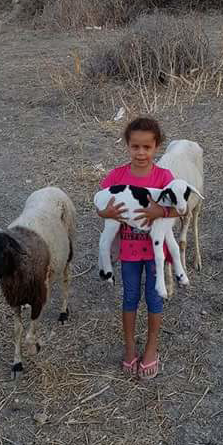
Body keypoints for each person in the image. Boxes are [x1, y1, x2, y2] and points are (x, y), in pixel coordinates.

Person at [96, 117, 179, 380]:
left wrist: (160, 209)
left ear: (157, 147)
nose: (141, 153)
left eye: (147, 147)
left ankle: (152, 347)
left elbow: (180, 208)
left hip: (156, 252)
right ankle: (130, 346)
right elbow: (102, 204)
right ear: (127, 146)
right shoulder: (117, 176)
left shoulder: (165, 177)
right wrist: (104, 212)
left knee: (154, 298)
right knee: (130, 297)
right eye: (135, 147)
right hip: (129, 252)